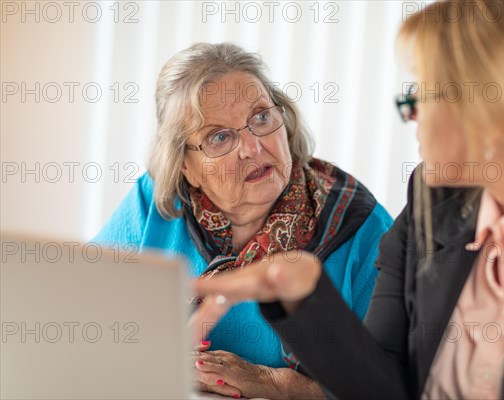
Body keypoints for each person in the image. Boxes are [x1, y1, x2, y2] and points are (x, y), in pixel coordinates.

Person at [191, 1, 504, 399]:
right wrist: (304, 297)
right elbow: (383, 386)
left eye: (423, 94)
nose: (410, 113)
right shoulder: (432, 202)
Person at [93, 42, 392, 398]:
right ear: (186, 166)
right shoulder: (157, 200)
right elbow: (84, 314)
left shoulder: (360, 225)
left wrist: (276, 383)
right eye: (219, 137)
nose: (253, 147)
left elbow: (388, 385)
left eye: (261, 117)